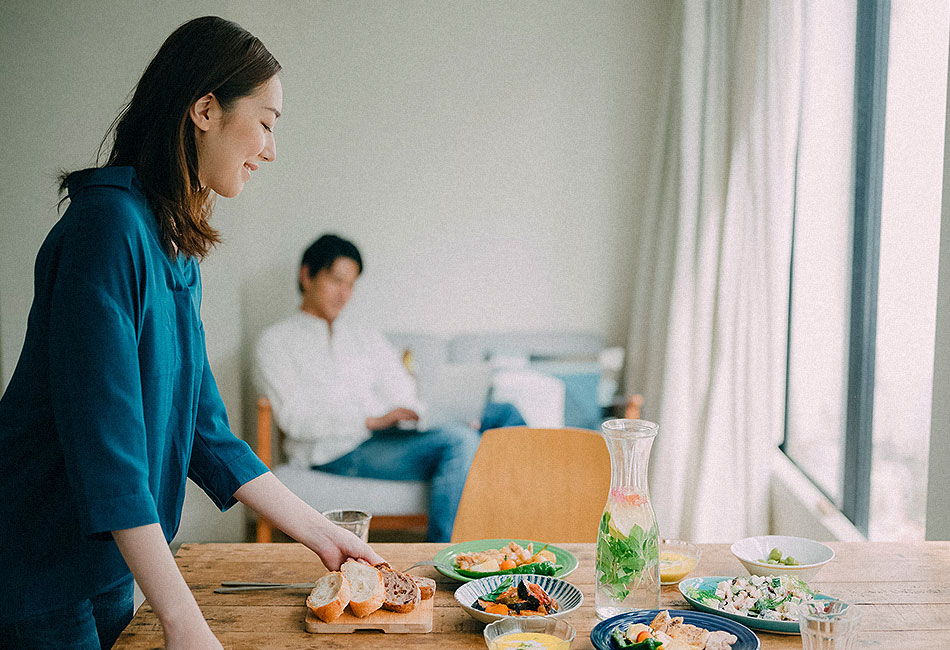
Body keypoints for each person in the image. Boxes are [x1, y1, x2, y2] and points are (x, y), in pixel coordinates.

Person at [0, 17, 382, 650]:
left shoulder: (173, 246)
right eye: (265, 122)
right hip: (39, 557)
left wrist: (322, 534)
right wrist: (183, 623)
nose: (270, 147)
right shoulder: (109, 229)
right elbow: (109, 453)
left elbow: (206, 430)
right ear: (206, 108)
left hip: (114, 557)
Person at [256, 234, 525, 542]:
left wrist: (429, 415)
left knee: (503, 413)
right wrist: (370, 421)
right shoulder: (276, 343)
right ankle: (441, 553)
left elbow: (402, 392)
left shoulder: (362, 335)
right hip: (337, 451)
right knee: (460, 440)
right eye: (336, 280)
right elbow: (294, 420)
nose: (344, 294)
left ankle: (521, 528)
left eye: (351, 285)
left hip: (387, 434)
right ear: (307, 275)